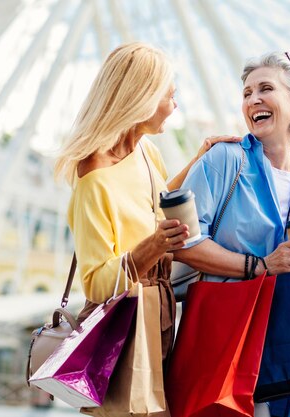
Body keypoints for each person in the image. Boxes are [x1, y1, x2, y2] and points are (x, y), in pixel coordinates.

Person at [54, 42, 239, 369]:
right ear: (142, 98)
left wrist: (199, 159)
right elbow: (96, 283)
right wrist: (156, 243)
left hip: (158, 311)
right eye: (169, 96)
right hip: (124, 327)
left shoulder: (146, 152)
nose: (175, 105)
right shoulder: (93, 178)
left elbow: (149, 207)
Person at [175, 51, 290, 417]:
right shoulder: (223, 160)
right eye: (247, 93)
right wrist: (261, 265)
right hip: (229, 333)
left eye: (265, 88)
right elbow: (184, 243)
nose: (253, 100)